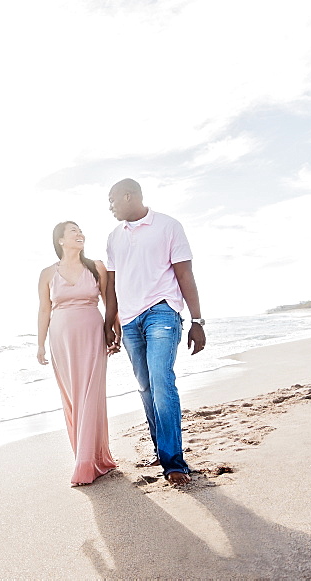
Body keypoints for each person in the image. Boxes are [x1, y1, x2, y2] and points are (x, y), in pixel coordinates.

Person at [103, 178, 206, 487]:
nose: (110, 207)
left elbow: (184, 273)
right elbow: (111, 285)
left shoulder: (167, 226)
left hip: (162, 311)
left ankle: (175, 462)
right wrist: (110, 322)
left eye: (112, 201)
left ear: (128, 195)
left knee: (162, 382)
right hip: (131, 320)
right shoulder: (113, 237)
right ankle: (161, 451)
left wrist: (198, 320)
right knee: (146, 387)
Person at [37, 221, 118, 486]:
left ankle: (87, 462)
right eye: (73, 230)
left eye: (80, 230)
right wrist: (40, 344)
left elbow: (109, 303)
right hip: (61, 339)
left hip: (92, 334)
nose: (79, 233)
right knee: (73, 397)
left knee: (90, 395)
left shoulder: (96, 267)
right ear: (60, 240)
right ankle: (85, 456)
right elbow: (44, 310)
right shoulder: (48, 273)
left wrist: (115, 331)